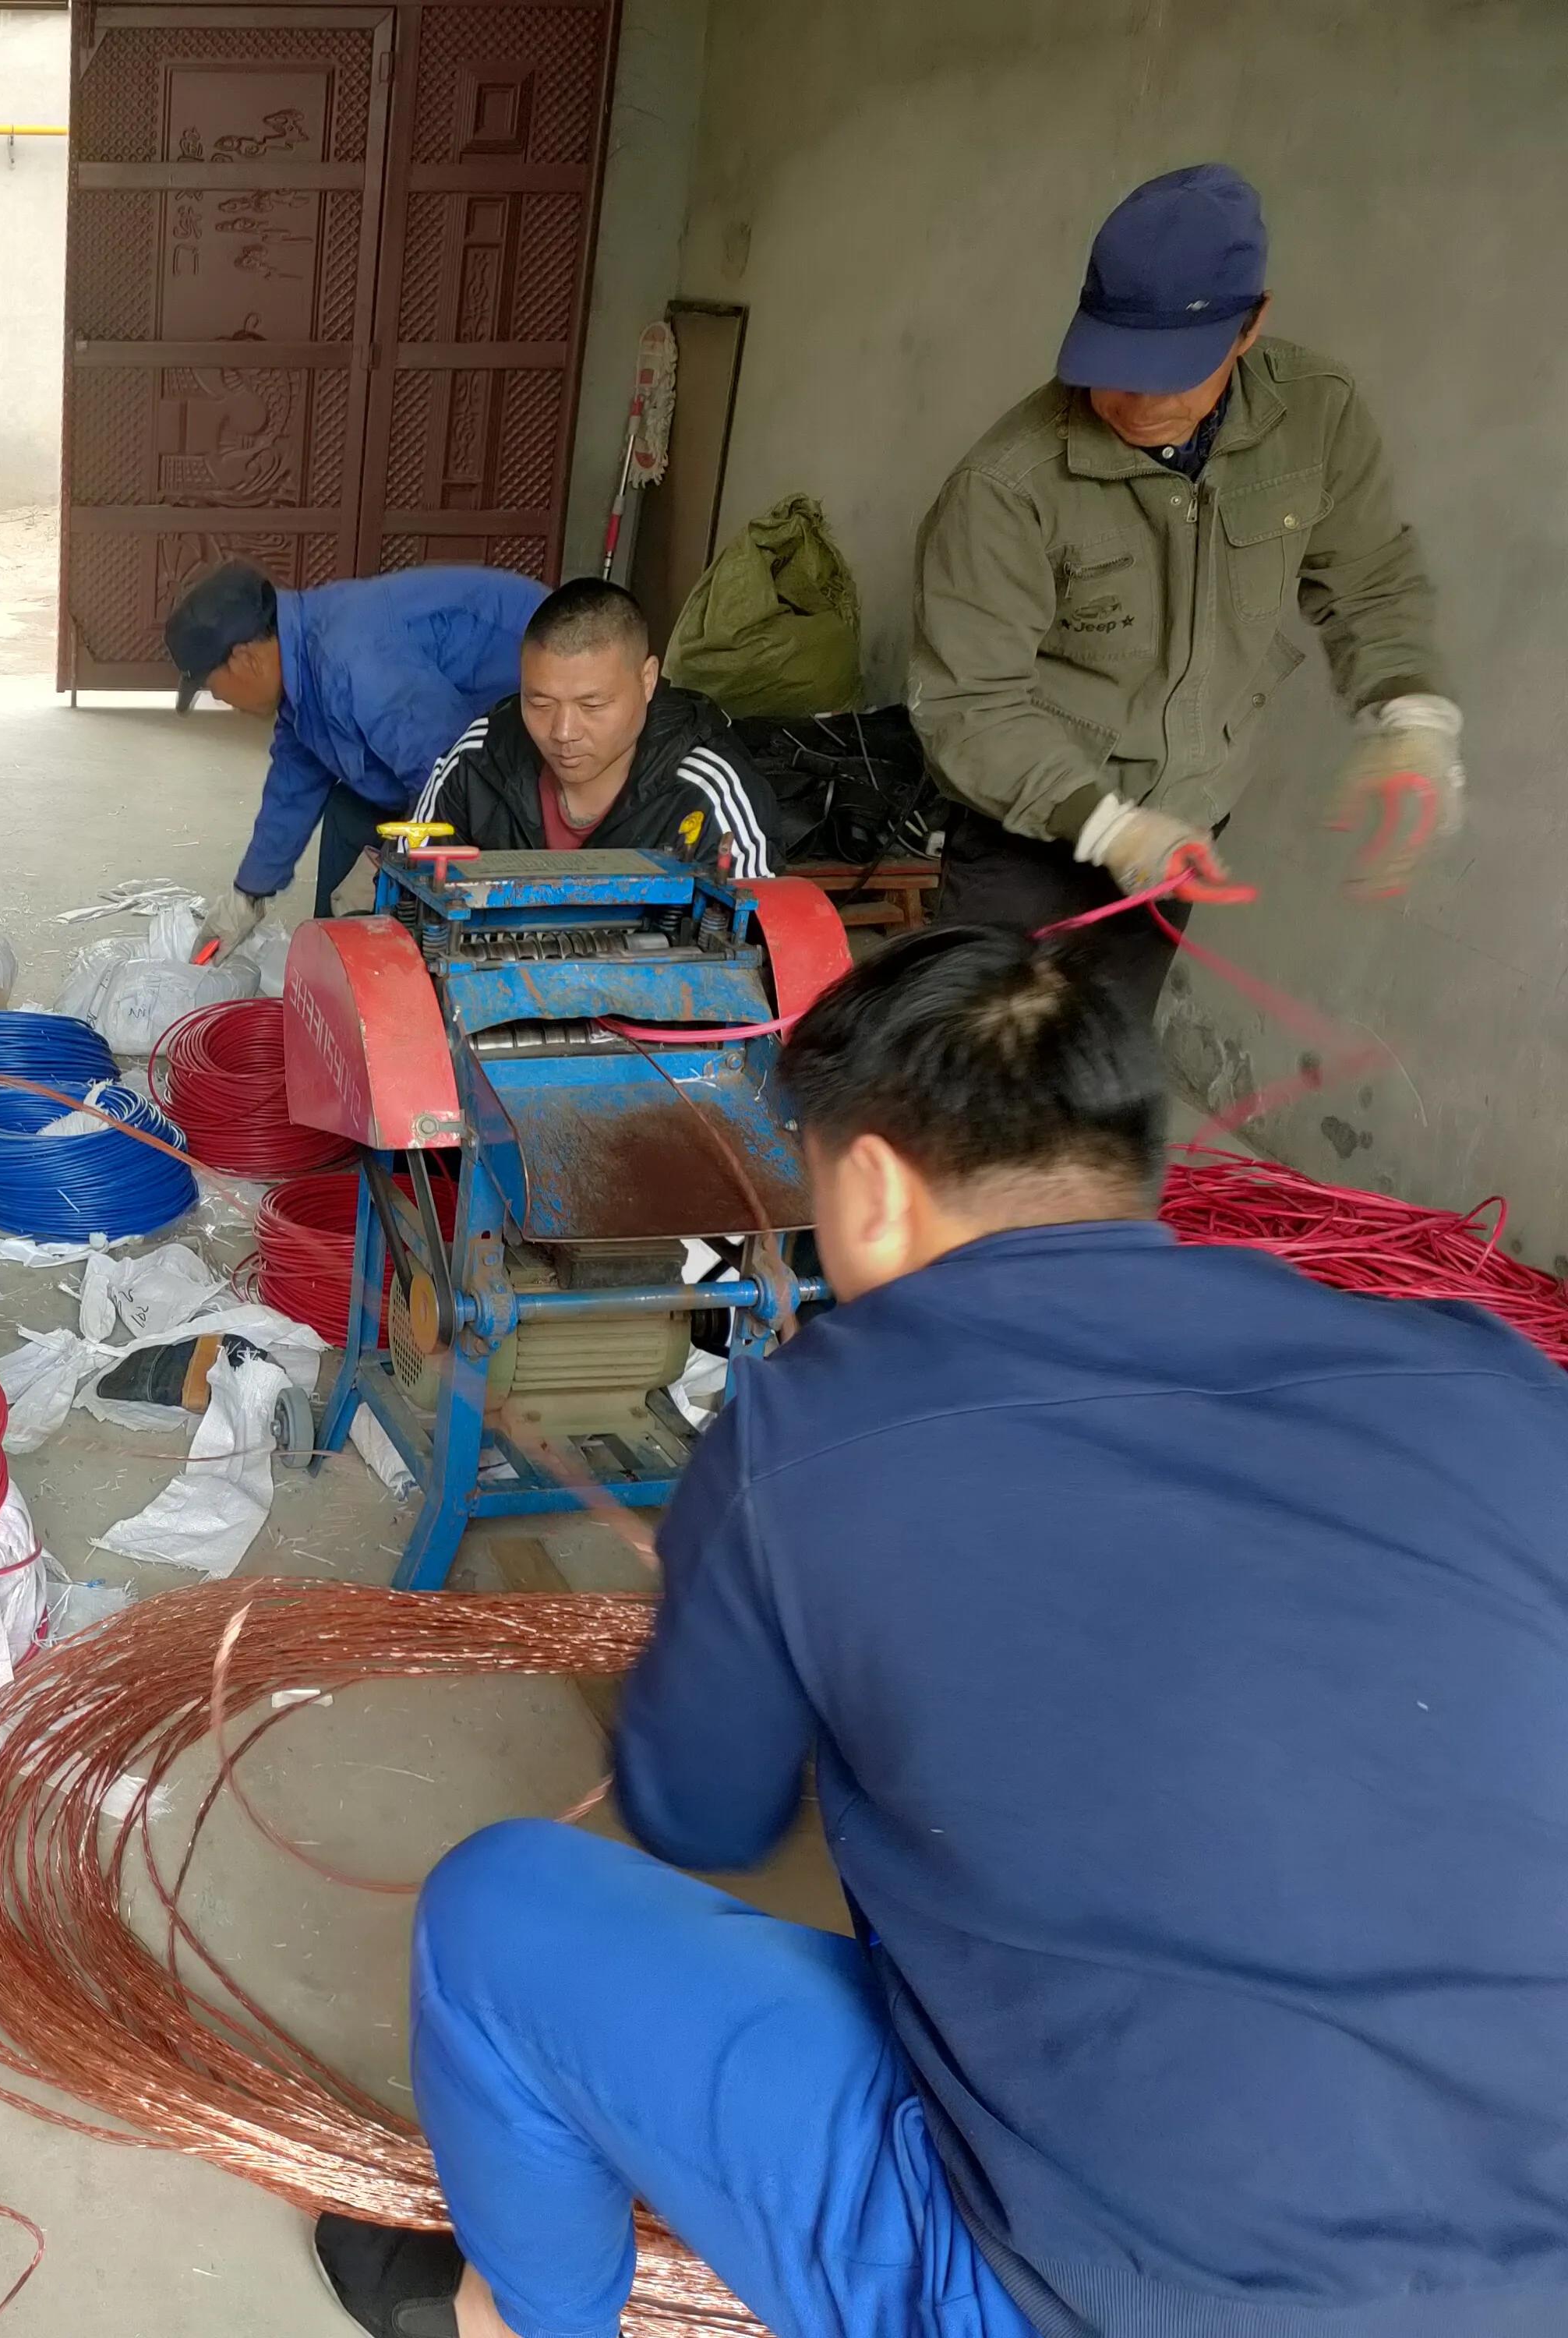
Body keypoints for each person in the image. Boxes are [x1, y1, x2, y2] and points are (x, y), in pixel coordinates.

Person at [316, 923, 1568, 2338]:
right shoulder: (1494, 1380)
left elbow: (696, 1809)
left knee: (498, 1918)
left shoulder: (811, 1427)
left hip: (1099, 2297)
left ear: (873, 1187)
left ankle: (509, 2314)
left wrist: (753, 1598)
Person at [910, 164, 1457, 1026]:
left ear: (1250, 327)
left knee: (1098, 1068)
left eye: (1172, 370)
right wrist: (1111, 831)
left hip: (1182, 821)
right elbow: (969, 703)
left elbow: (1370, 578)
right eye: (1115, 365)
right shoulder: (1007, 484)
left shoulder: (1317, 415)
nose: (1135, 401)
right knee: (975, 1076)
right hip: (1030, 825)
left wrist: (1413, 719)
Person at [166, 560, 548, 955]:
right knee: (348, 812)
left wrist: (388, 865)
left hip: (545, 743)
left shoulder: (355, 663)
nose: (223, 700)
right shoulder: (304, 663)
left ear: (246, 658)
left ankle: (378, 966)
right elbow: (293, 786)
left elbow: (450, 774)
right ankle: (339, 958)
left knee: (390, 875)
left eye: (214, 687)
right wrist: (248, 895)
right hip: (462, 747)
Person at [408, 580, 783, 877]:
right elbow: (406, 894)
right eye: (539, 703)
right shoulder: (478, 760)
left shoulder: (707, 791)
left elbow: (758, 939)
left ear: (648, 680)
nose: (564, 732)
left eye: (593, 705)